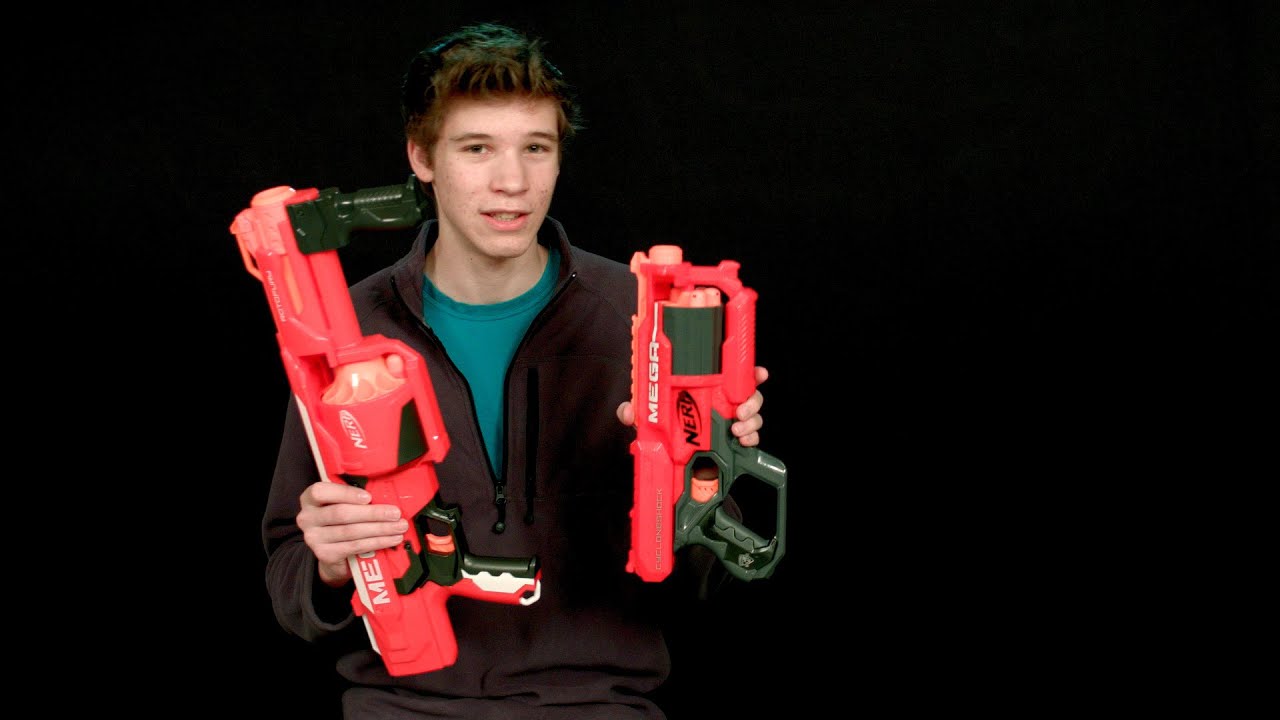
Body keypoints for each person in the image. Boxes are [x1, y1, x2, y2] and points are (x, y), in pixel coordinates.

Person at [262, 21, 772, 719]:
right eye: (477, 148)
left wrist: (705, 467)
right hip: (402, 706)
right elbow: (288, 576)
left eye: (536, 148)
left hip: (597, 705)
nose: (513, 183)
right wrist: (328, 561)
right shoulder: (344, 331)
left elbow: (707, 584)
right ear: (422, 157)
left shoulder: (649, 319)